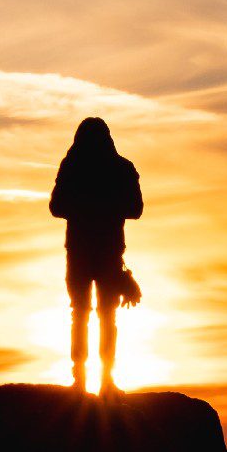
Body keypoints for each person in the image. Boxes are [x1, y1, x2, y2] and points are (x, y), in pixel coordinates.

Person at [49, 117, 143, 396]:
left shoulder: (73, 166)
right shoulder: (120, 168)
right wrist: (105, 206)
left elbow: (57, 206)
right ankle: (96, 382)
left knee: (85, 314)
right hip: (98, 252)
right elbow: (56, 206)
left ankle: (90, 382)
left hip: (93, 253)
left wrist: (87, 206)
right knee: (101, 315)